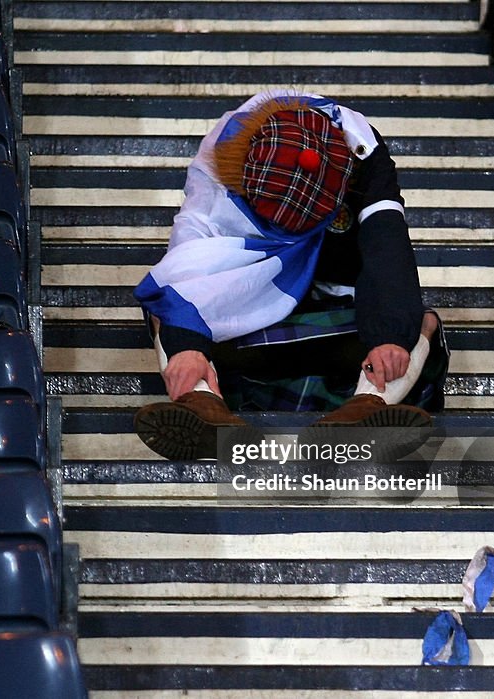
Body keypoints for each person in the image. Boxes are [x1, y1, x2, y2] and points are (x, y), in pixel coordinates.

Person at [132, 89, 449, 461]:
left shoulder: (364, 154)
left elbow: (386, 243)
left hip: (337, 319)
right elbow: (188, 263)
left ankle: (368, 407)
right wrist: (188, 346)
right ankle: (203, 405)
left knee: (419, 322)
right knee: (166, 308)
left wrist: (390, 338)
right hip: (248, 326)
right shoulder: (216, 165)